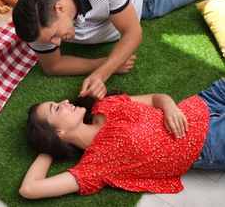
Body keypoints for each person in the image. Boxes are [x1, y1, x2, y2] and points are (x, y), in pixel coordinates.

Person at [12, 0, 225, 101]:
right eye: (51, 40)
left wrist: (103, 73)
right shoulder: (37, 27)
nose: (56, 43)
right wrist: (103, 63)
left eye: (55, 36)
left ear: (60, 8)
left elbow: (132, 32)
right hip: (154, 0)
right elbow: (53, 66)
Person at [19, 78, 225, 199]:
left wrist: (170, 107)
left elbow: (156, 98)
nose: (64, 101)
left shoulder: (104, 105)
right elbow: (29, 189)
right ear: (58, 133)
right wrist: (50, 147)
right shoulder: (95, 166)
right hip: (209, 142)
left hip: (207, 101)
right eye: (56, 108)